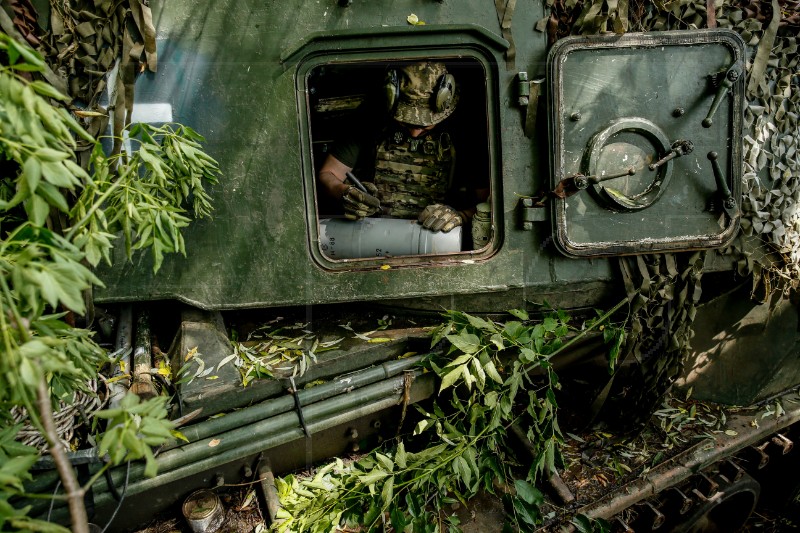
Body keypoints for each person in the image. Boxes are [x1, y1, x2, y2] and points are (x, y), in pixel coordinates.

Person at [318, 61, 486, 236]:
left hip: (439, 240)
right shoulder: (370, 116)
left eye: (424, 125)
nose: (414, 132)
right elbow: (328, 174)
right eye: (405, 122)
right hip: (372, 233)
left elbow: (488, 203)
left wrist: (461, 216)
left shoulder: (466, 129)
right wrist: (345, 193)